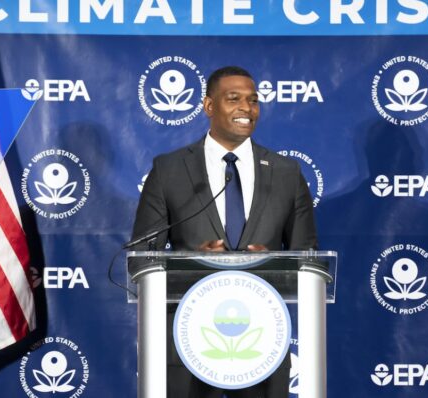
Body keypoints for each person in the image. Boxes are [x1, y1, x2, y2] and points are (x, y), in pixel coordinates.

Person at [131, 66, 317, 397]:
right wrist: (191, 260)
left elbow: (308, 259)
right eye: (234, 99)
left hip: (263, 339)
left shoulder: (287, 173)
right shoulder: (170, 170)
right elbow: (140, 261)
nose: (247, 108)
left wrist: (273, 262)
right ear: (209, 106)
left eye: (253, 100)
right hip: (185, 338)